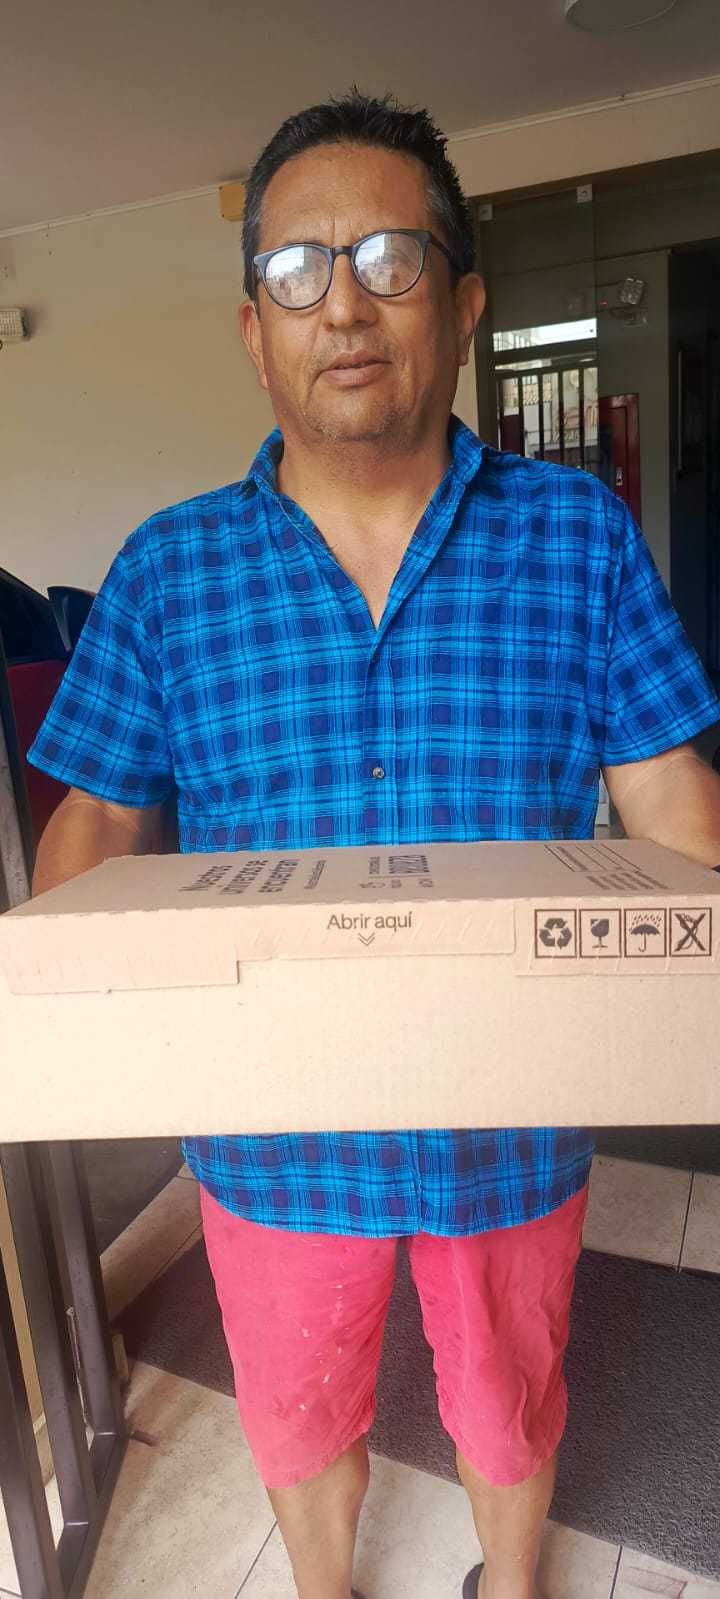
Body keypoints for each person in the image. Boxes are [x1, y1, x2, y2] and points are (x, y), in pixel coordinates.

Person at [29, 91, 720, 1599]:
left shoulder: (579, 539)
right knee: (297, 1412)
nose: (342, 304)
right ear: (253, 329)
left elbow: (671, 797)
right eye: (297, 269)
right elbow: (97, 820)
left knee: (509, 1400)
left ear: (462, 305)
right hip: (272, 1131)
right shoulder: (167, 572)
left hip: (511, 1116)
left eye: (391, 259)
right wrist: (78, 1011)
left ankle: (509, 1585)